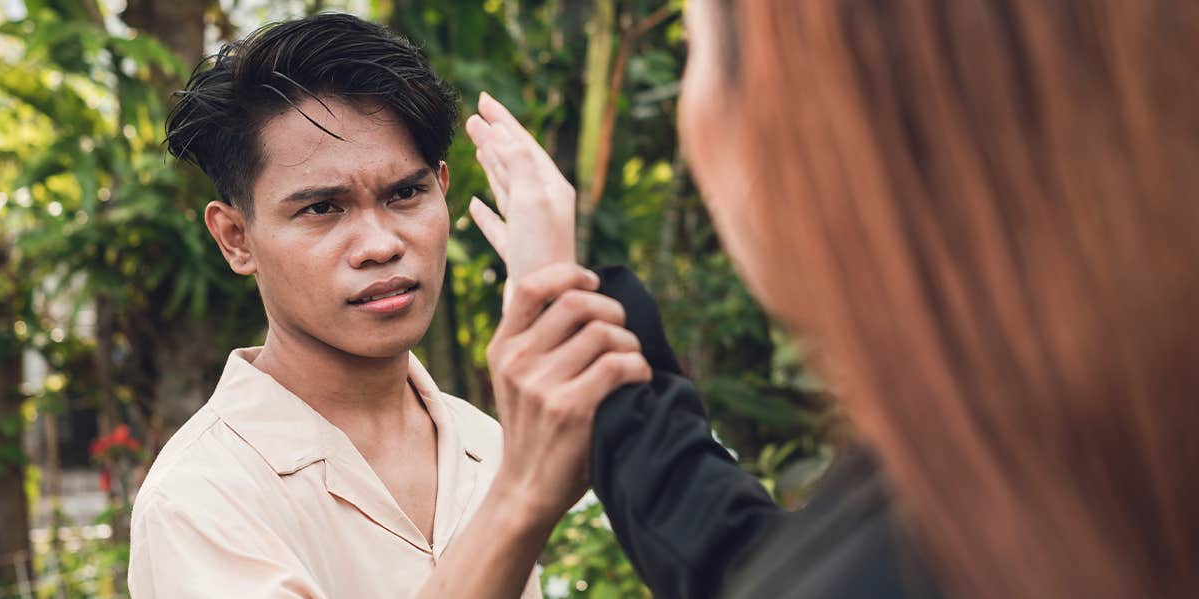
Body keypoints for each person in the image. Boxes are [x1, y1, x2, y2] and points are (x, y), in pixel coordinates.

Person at [465, 0, 1199, 597]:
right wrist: (576, 311)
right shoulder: (1066, 462)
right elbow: (752, 562)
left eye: (698, 47)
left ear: (825, 112)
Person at [128, 14, 651, 598]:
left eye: (406, 193)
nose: (381, 245)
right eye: (323, 208)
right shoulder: (204, 496)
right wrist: (522, 498)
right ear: (236, 238)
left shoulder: (485, 444)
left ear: (443, 190)